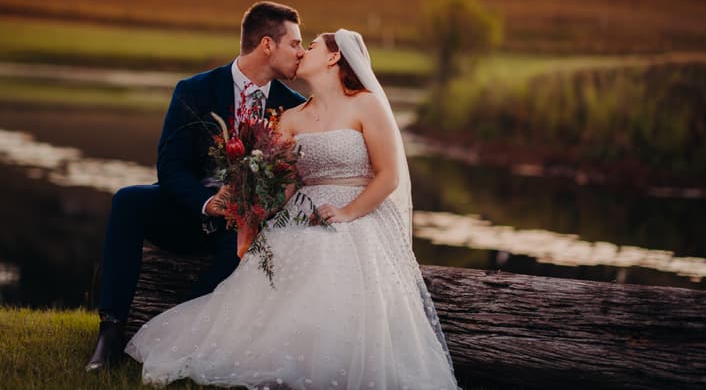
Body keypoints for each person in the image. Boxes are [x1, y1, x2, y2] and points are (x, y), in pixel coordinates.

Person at [125, 29, 458, 389]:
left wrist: (348, 212)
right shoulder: (290, 118)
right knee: (282, 257)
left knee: (329, 251)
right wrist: (251, 214)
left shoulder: (366, 104)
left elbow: (389, 175)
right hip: (302, 211)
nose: (301, 53)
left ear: (333, 58)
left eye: (310, 46)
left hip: (361, 212)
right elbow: (281, 185)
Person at [85, 1, 307, 371]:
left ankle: (174, 338)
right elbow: (169, 166)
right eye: (295, 44)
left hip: (248, 230)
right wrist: (207, 202)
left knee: (240, 251)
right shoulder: (195, 90)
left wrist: (254, 211)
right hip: (192, 213)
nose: (301, 53)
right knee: (128, 201)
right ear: (267, 44)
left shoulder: (294, 107)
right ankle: (110, 332)